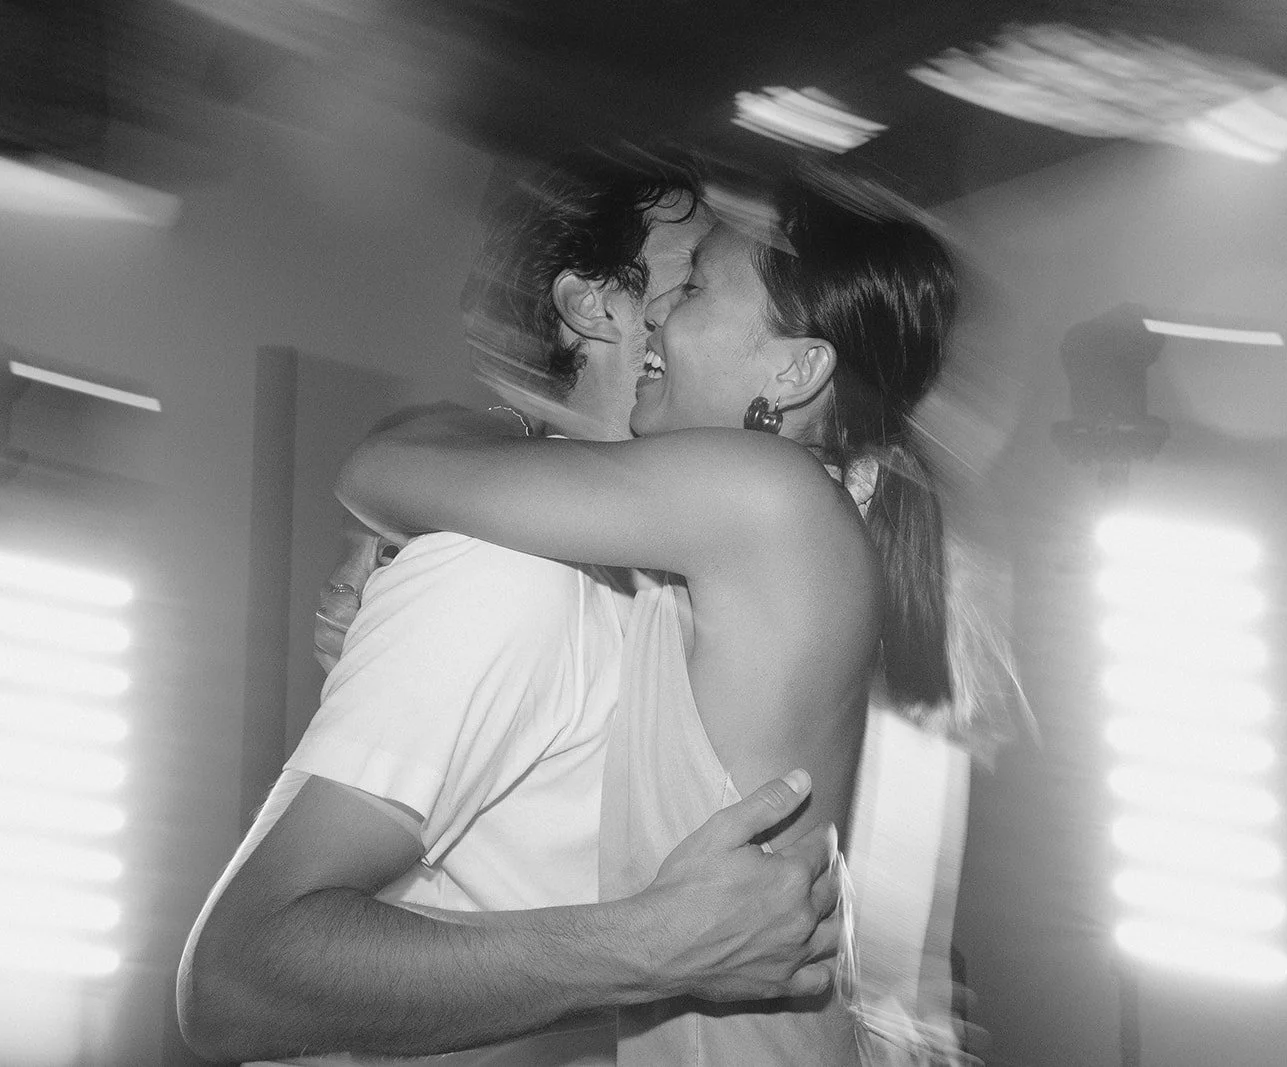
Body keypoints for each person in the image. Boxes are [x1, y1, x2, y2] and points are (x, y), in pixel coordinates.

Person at [177, 148, 843, 1067]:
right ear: (590, 306)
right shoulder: (502, 571)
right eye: (688, 278)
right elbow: (239, 976)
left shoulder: (679, 587)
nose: (683, 311)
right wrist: (652, 947)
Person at [335, 169, 963, 1064]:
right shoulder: (754, 528)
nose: (657, 314)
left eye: (694, 288)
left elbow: (378, 469)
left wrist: (484, 433)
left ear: (795, 369)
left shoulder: (765, 496)